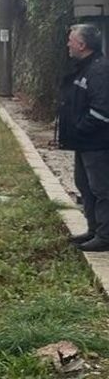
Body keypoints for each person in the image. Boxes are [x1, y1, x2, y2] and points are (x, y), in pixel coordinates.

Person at [59, 23, 109, 251]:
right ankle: (94, 230)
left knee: (101, 189)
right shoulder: (84, 67)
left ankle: (105, 236)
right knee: (85, 185)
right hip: (85, 142)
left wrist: (80, 128)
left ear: (82, 44)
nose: (68, 44)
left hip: (97, 143)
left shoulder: (99, 70)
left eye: (71, 40)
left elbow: (102, 110)